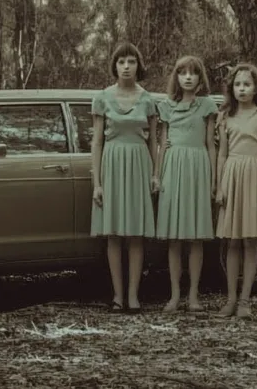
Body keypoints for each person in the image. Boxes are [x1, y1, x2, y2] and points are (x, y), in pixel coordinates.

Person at [90, 41, 158, 313]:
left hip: (139, 164)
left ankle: (133, 296)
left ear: (138, 65)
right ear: (114, 66)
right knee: (114, 234)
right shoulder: (102, 97)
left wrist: (155, 174)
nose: (126, 67)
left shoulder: (148, 99)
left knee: (136, 234)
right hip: (112, 164)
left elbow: (154, 141)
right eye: (121, 62)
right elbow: (96, 142)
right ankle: (118, 296)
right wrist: (97, 183)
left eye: (131, 61)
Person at [155, 55, 218, 313]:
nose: (188, 77)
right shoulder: (167, 106)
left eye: (193, 72)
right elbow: (162, 142)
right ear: (177, 77)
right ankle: (174, 295)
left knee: (195, 237)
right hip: (173, 167)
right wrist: (157, 175)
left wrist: (214, 179)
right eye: (183, 73)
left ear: (200, 77)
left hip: (197, 167)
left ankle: (194, 296)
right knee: (174, 238)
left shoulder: (206, 106)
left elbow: (211, 146)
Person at [215, 63, 257, 318]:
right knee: (232, 241)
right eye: (238, 84)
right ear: (232, 88)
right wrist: (219, 186)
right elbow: (221, 154)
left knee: (251, 240)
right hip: (232, 173)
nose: (242, 89)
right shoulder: (225, 116)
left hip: (255, 174)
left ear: (255, 88)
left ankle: (245, 301)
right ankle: (230, 299)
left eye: (247, 84)